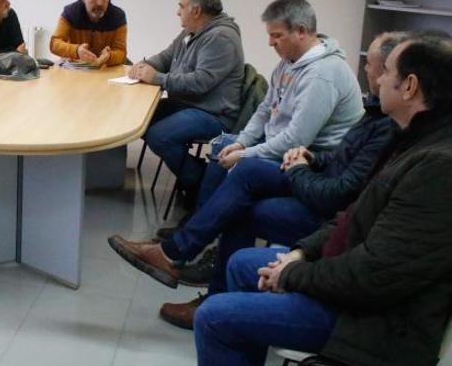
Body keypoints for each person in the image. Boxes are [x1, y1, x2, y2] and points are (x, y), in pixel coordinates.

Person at [194, 30, 452, 366]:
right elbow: (353, 216)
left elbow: (373, 275)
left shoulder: (436, 166)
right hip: (351, 281)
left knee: (214, 317)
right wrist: (302, 252)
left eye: (386, 70)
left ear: (410, 86)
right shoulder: (410, 138)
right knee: (243, 262)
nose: (376, 78)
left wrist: (291, 274)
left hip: (371, 322)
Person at [130, 32, 401, 329]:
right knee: (244, 175)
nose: (366, 69)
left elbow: (338, 193)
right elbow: (338, 158)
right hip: (315, 179)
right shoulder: (375, 111)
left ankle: (191, 267)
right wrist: (310, 159)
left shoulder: (362, 107)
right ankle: (189, 263)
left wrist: (298, 167)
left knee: (242, 187)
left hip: (328, 211)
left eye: (378, 67)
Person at [109, 0, 363, 290]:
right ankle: (196, 238)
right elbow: (265, 110)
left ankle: (179, 249)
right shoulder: (289, 63)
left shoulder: (322, 75)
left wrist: (246, 154)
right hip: (285, 152)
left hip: (312, 165)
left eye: (276, 36)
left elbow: (296, 140)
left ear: (302, 31)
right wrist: (241, 143)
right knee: (224, 148)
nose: (270, 43)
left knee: (243, 171)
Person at [129, 0, 244, 203]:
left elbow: (200, 83)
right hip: (190, 104)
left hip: (213, 113)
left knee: (159, 135)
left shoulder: (221, 38)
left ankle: (200, 185)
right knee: (139, 119)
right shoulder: (192, 31)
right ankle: (193, 174)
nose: (177, 12)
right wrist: (142, 67)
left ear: (196, 11)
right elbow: (165, 57)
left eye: (181, 6)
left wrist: (157, 78)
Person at [50, 0, 127, 66]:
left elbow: (121, 52)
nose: (99, 3)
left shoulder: (118, 16)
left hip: (104, 70)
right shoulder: (71, 12)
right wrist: (76, 50)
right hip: (76, 70)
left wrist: (109, 57)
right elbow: (54, 44)